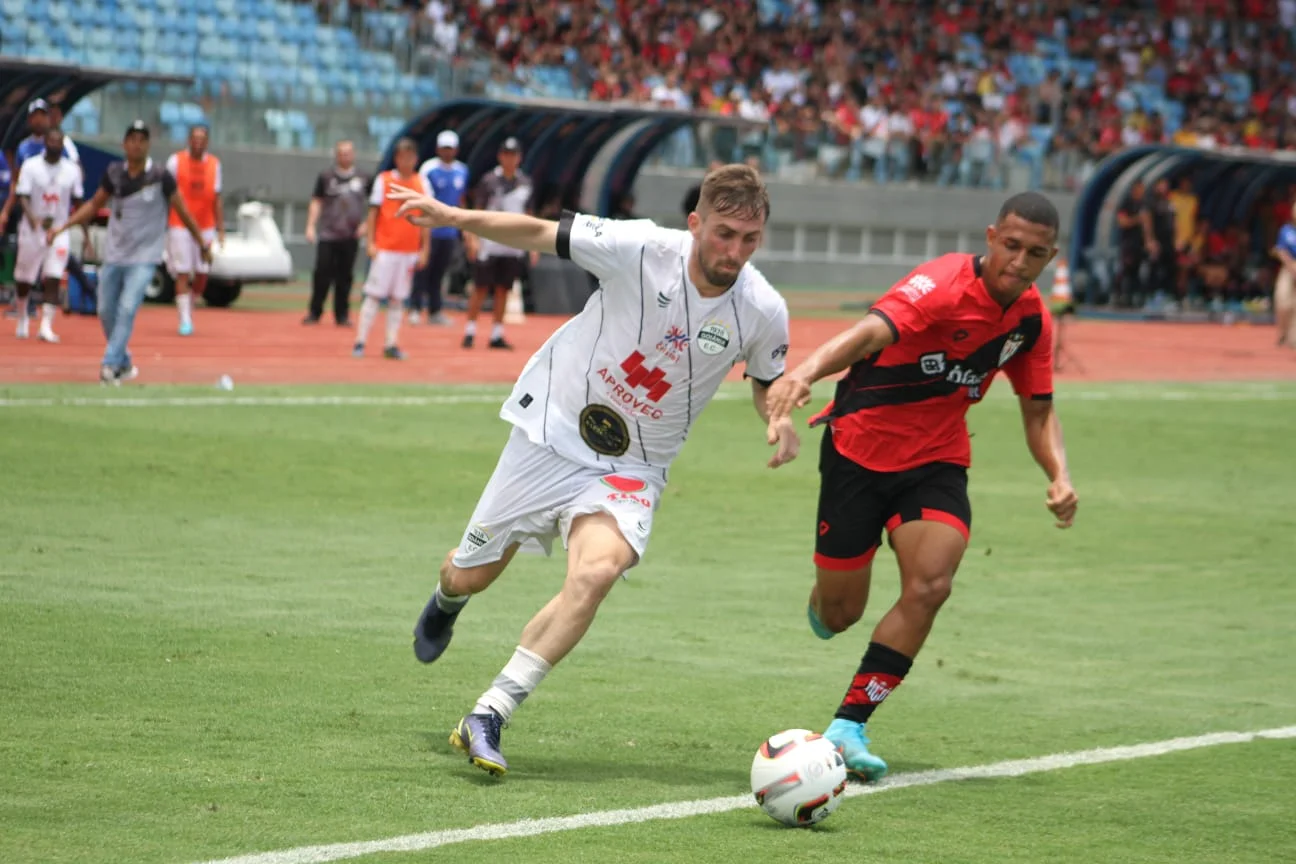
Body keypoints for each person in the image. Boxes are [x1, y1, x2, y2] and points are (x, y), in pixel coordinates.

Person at [388, 163, 798, 777]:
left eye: (748, 239)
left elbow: (767, 383)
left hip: (633, 466)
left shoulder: (763, 310)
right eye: (722, 234)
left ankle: (490, 712)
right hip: (551, 430)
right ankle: (447, 600)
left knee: (598, 571)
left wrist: (777, 416)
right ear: (695, 224)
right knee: (468, 576)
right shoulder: (640, 248)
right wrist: (452, 218)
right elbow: (535, 231)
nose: (733, 251)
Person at [762, 191, 1079, 782]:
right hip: (858, 451)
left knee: (932, 583)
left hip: (936, 463)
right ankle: (825, 602)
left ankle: (849, 724)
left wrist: (1059, 475)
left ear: (1050, 256)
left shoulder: (1032, 320)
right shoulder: (941, 285)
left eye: (1034, 253)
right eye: (1010, 245)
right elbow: (867, 333)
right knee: (840, 613)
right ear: (991, 237)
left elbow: (1039, 413)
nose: (1019, 260)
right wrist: (805, 372)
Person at [50, 121, 210, 384]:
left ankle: (110, 365)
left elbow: (183, 211)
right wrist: (63, 226)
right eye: (132, 138)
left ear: (148, 144)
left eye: (142, 139)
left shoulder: (160, 177)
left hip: (145, 257)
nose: (137, 144)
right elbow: (94, 205)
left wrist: (203, 244)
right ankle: (123, 361)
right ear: (124, 144)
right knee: (105, 311)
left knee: (126, 308)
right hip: (115, 255)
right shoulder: (114, 173)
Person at [352, 137, 429, 360]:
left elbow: (426, 217)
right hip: (386, 249)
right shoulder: (384, 180)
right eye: (403, 157)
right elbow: (373, 212)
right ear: (397, 158)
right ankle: (360, 341)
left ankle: (391, 343)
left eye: (411, 157)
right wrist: (371, 242)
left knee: (398, 299)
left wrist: (425, 249)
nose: (407, 162)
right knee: (374, 296)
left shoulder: (421, 182)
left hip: (409, 251)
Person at [12, 128, 84, 343]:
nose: (55, 144)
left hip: (59, 230)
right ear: (45, 142)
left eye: (59, 141)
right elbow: (22, 196)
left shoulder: (72, 170)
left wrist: (82, 230)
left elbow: (78, 201)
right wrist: (34, 219)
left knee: (53, 276)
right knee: (24, 278)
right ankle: (23, 315)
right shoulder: (31, 166)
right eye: (51, 140)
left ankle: (46, 325)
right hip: (33, 228)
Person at [463, 137, 533, 350]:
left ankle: (496, 334)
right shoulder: (489, 181)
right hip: (489, 243)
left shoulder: (525, 183)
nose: (510, 159)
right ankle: (470, 331)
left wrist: (532, 245)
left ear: (519, 157)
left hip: (512, 245)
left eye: (514, 154)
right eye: (506, 154)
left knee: (504, 289)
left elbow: (530, 215)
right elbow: (476, 212)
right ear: (500, 156)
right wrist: (472, 238)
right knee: (481, 287)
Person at [165, 125, 224, 336]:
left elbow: (217, 198)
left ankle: (189, 301)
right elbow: (166, 193)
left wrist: (221, 229)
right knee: (182, 272)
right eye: (195, 138)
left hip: (206, 226)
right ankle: (185, 319)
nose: (198, 142)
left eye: (202, 138)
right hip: (179, 224)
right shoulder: (175, 161)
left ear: (207, 142)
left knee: (202, 273)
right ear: (189, 140)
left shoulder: (215, 165)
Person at [304, 140, 369, 327]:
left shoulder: (364, 178)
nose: (345, 156)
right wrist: (310, 226)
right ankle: (315, 312)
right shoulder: (326, 176)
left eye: (348, 152)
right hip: (327, 234)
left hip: (350, 235)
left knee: (345, 276)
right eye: (341, 153)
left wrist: (366, 226)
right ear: (336, 155)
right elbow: (316, 201)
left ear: (354, 154)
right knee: (322, 273)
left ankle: (342, 314)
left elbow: (375, 206)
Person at [410, 129, 468, 326]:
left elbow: (461, 199)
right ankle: (415, 308)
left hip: (450, 231)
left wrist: (464, 228)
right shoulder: (429, 168)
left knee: (439, 272)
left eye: (450, 148)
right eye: (444, 148)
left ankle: (435, 310)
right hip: (430, 229)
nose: (447, 152)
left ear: (456, 149)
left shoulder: (462, 170)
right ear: (437, 148)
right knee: (422, 270)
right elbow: (422, 197)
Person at [1269, 195, 1296, 349]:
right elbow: (1280, 249)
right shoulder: (1287, 230)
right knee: (1283, 300)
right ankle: (1283, 332)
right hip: (1289, 268)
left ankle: (1293, 338)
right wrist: (1291, 265)